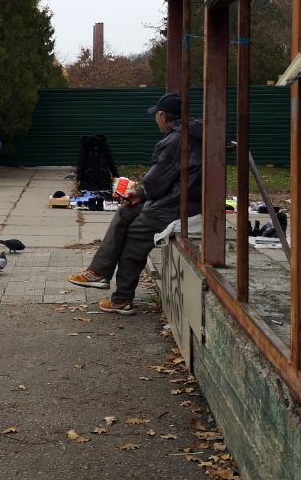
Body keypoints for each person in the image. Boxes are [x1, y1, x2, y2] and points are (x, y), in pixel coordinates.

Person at [67, 93, 202, 315]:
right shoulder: (192, 133)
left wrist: (141, 193)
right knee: (125, 211)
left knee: (133, 239)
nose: (156, 120)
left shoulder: (175, 140)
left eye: (156, 115)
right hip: (181, 199)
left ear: (162, 116)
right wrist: (140, 195)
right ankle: (98, 272)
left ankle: (121, 299)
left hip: (175, 206)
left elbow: (158, 180)